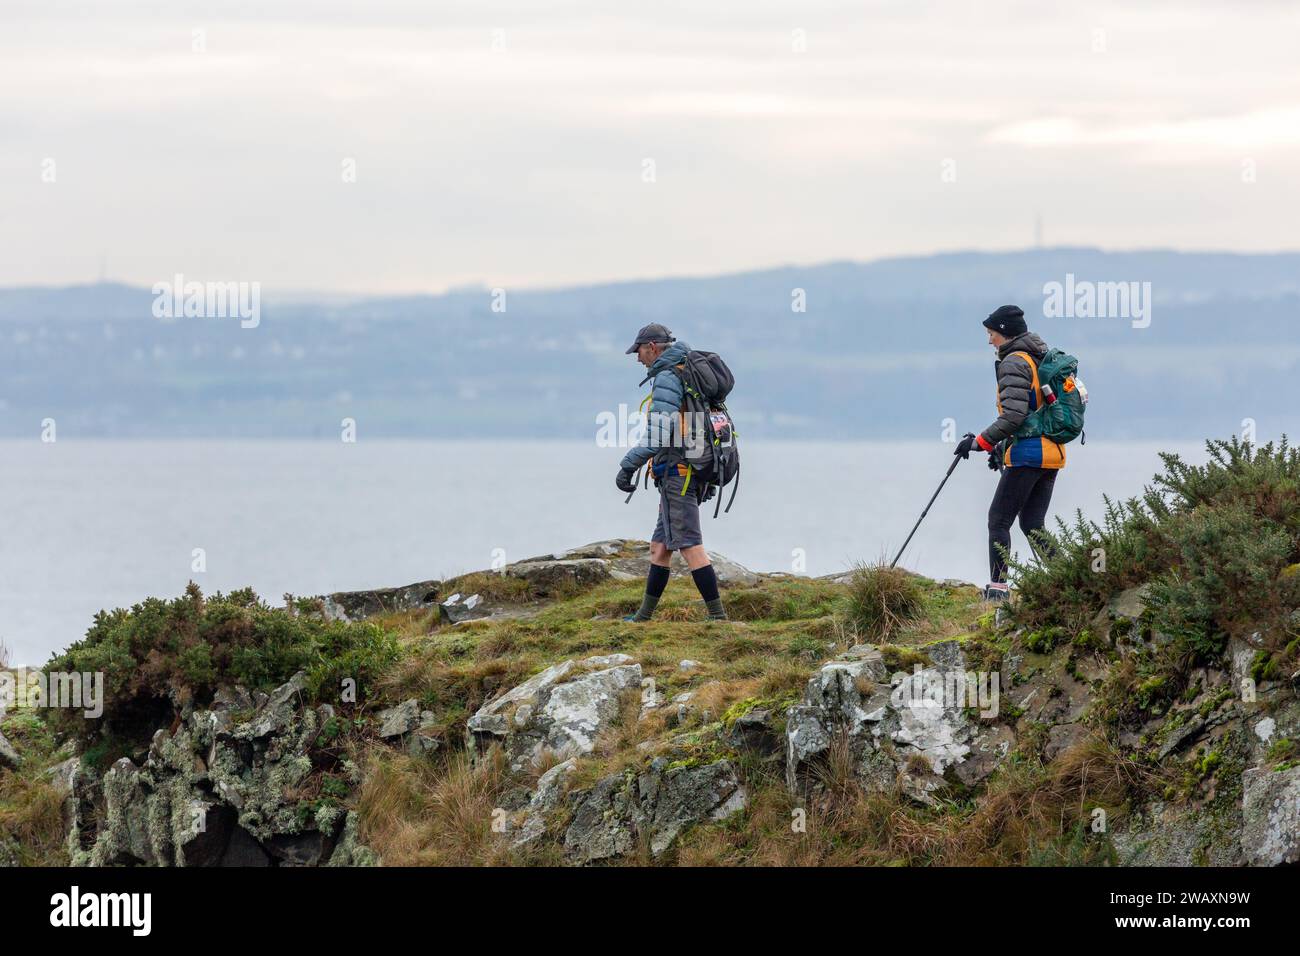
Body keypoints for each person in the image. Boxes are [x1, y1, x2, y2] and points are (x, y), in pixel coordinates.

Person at [615, 323, 728, 622]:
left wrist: (627, 466)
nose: (638, 358)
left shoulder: (668, 376)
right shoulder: (685, 370)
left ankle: (718, 617)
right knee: (659, 547)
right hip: (689, 468)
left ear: (652, 347)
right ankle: (643, 616)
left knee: (690, 545)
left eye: (638, 351)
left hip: (679, 472)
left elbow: (658, 435)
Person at [953, 305, 1062, 601]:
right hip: (1050, 453)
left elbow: (1013, 416)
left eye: (991, 334)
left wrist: (980, 442)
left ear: (1004, 332)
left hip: (1029, 454)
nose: (989, 340)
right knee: (1032, 523)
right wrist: (1002, 446)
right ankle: (1068, 579)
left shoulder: (1014, 361)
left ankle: (998, 591)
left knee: (998, 519)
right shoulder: (1038, 356)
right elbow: (1033, 412)